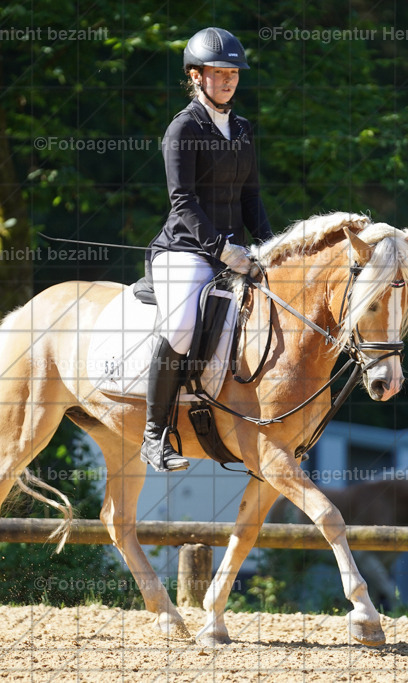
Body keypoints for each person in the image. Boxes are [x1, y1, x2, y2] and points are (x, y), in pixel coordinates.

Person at [140, 27, 273, 473]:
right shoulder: (183, 128)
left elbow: (251, 198)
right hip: (186, 249)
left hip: (233, 249)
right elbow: (183, 201)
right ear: (196, 76)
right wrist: (221, 249)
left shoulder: (241, 129)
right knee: (179, 326)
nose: (228, 80)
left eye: (233, 73)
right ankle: (153, 437)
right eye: (219, 73)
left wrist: (270, 248)